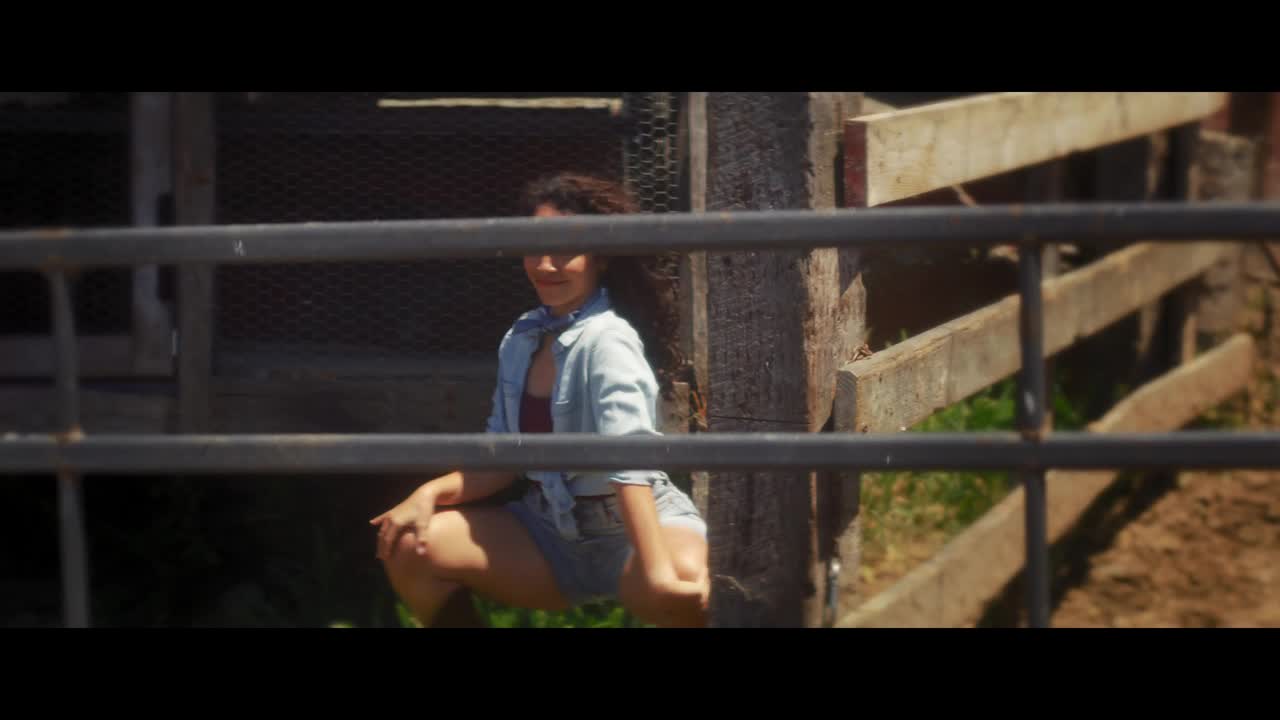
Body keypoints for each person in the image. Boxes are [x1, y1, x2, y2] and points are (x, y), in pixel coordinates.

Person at [370, 173, 710, 628]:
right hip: (550, 533)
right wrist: (428, 493)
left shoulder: (608, 341)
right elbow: (502, 461)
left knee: (681, 583)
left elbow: (629, 465)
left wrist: (657, 571)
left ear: (600, 257)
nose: (546, 265)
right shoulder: (522, 337)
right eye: (535, 247)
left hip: (633, 530)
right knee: (409, 542)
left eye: (565, 249)